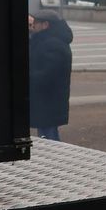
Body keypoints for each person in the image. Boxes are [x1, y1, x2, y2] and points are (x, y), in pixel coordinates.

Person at [28, 10, 73, 141]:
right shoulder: (44, 40)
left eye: (35, 23)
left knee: (49, 135)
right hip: (45, 99)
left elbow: (47, 74)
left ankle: (56, 157)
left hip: (48, 99)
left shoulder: (53, 45)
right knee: (45, 132)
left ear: (45, 25)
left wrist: (29, 78)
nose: (33, 26)